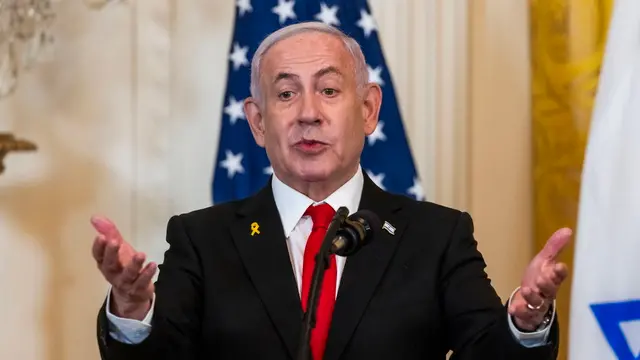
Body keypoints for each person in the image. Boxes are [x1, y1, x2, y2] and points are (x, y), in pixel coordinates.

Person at [92, 22, 569, 360]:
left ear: (367, 109)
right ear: (258, 123)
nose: (308, 114)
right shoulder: (202, 239)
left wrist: (524, 323)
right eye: (285, 94)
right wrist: (133, 310)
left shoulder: (437, 236)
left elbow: (486, 351)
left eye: (329, 90)